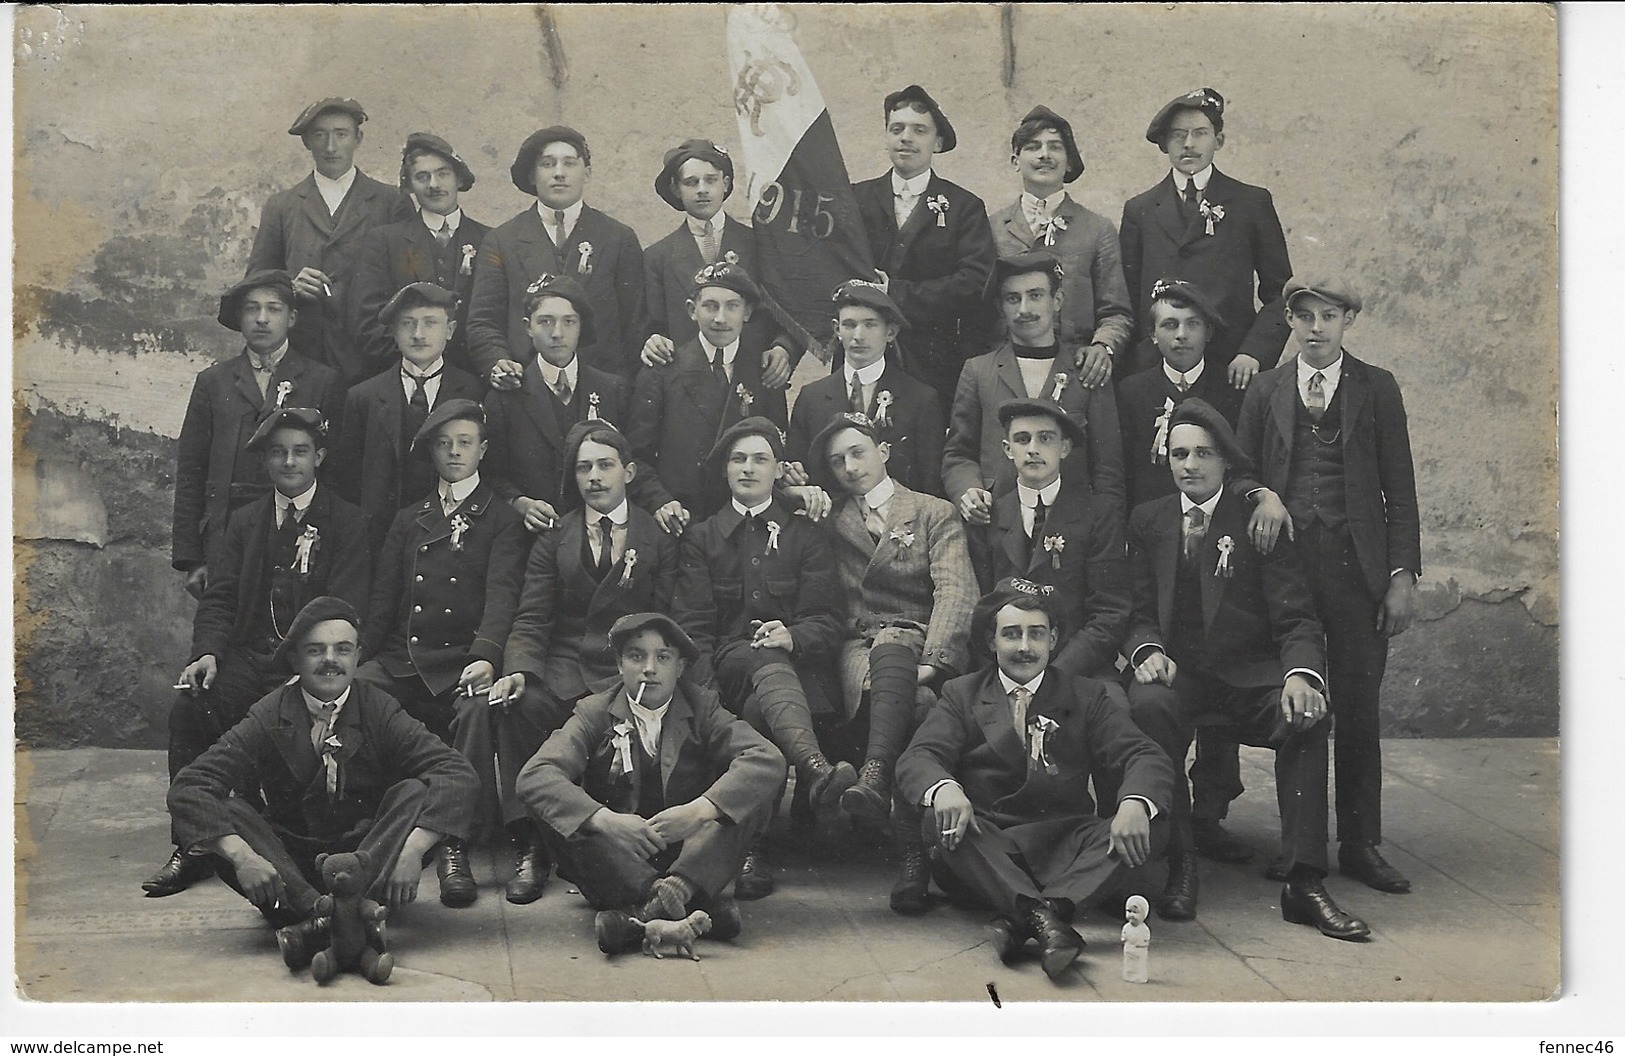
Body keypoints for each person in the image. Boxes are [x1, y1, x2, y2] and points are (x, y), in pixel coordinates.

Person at [1122, 399, 1369, 940]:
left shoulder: (1256, 518)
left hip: (1246, 678)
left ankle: (1304, 881)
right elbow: (1137, 609)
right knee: (1147, 707)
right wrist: (1145, 651)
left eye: (1203, 453)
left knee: (1308, 717)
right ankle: (1181, 861)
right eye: (1179, 453)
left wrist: (1302, 674)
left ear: (1226, 462)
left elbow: (1296, 615)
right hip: (1180, 677)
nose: (1190, 464)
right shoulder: (1150, 520)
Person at [166, 596, 478, 972]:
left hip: (367, 860)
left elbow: (455, 772)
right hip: (292, 867)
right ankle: (347, 919)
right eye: (316, 650)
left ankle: (316, 928)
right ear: (295, 660)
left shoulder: (379, 707)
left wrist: (413, 849)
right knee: (231, 811)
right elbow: (191, 785)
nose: (331, 660)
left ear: (357, 657)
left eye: (342, 650)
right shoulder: (270, 712)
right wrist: (242, 856)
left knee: (413, 792)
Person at [1236, 276, 1421, 895]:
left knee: (1359, 711)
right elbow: (1240, 472)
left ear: (1348, 322)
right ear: (1289, 321)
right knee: (1300, 709)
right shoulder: (1266, 390)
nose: (1317, 329)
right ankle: (1300, 848)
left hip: (1357, 573)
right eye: (1306, 317)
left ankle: (1362, 844)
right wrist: (1262, 494)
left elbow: (1401, 487)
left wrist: (1401, 575)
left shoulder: (1376, 387)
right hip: (1285, 576)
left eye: (1330, 317)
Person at [894, 578, 1174, 980]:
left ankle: (1029, 918)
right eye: (1011, 634)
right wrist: (946, 788)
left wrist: (1133, 802)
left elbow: (1144, 754)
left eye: (1036, 634)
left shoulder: (1087, 695)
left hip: (1065, 842)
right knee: (940, 821)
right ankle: (1052, 918)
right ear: (991, 642)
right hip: (991, 842)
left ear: (1053, 639)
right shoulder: (963, 693)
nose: (1024, 646)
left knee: (1151, 820)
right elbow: (919, 756)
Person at [146, 407, 370, 898]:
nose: (290, 461)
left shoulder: (347, 521)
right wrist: (207, 653)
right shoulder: (245, 522)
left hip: (312, 662)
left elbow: (346, 609)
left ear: (320, 457)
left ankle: (277, 836)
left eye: (301, 452)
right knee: (190, 703)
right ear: (266, 461)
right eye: (278, 452)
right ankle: (194, 843)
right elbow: (221, 597)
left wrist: (308, 666)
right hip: (250, 657)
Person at [486, 420, 679, 904]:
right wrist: (519, 671)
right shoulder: (555, 536)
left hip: (630, 666)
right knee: (520, 705)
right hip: (567, 660)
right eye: (584, 468)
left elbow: (673, 617)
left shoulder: (655, 537)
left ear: (629, 472)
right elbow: (532, 615)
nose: (595, 477)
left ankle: (625, 846)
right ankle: (531, 843)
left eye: (605, 465)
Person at [517, 612, 785, 956]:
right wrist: (606, 820)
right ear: (619, 664)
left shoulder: (703, 706)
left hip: (691, 853)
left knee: (750, 793)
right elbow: (535, 775)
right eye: (635, 656)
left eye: (663, 657)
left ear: (681, 667)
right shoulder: (594, 711)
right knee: (560, 810)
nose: (649, 668)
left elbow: (766, 757)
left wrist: (699, 811)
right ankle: (694, 907)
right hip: (619, 860)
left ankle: (644, 915)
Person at [356, 399, 529, 907]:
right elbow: (384, 601)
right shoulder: (410, 519)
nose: (455, 452)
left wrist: (486, 656)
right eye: (445, 443)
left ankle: (456, 844)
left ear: (483, 450)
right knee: (357, 693)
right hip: (404, 657)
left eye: (465, 442)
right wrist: (361, 656)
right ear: (432, 451)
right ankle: (366, 826)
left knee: (477, 708)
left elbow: (502, 599)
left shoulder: (499, 517)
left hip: (463, 660)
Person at [671, 417, 853, 900]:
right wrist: (705, 700)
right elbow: (693, 629)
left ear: (779, 470)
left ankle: (756, 846)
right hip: (729, 671)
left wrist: (792, 636)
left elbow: (830, 619)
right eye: (737, 459)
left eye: (760, 459)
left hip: (799, 677)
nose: (748, 469)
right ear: (725, 471)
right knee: (758, 662)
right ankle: (814, 769)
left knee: (759, 711)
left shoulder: (806, 535)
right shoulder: (704, 537)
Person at [812, 412, 976, 834]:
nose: (849, 467)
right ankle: (889, 802)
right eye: (836, 461)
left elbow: (956, 591)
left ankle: (876, 779)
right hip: (859, 645)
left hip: (919, 641)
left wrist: (935, 664)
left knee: (918, 690)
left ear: (883, 452)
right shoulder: (831, 519)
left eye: (858, 453)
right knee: (915, 701)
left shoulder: (932, 512)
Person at [172, 271, 344, 599]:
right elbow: (191, 471)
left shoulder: (323, 381)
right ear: (240, 317)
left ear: (292, 317)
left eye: (274, 309)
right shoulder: (214, 382)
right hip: (226, 532)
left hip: (297, 530)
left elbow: (336, 473)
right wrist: (192, 559)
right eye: (252, 309)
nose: (262, 319)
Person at [943, 251, 1125, 528]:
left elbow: (1108, 470)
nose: (1024, 309)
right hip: (997, 524)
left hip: (1075, 526)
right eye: (1012, 298)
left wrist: (1105, 531)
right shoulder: (978, 371)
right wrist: (967, 491)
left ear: (1058, 300)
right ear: (1001, 306)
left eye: (1036, 295)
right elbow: (958, 454)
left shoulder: (1086, 370)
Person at [1119, 87, 1291, 380]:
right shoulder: (1140, 210)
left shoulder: (1250, 203)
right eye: (1178, 135)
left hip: (1230, 369)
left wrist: (1253, 353)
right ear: (1164, 145)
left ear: (1218, 140)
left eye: (1200, 133)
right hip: (1159, 369)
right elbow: (1128, 296)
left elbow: (1281, 293)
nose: (1189, 144)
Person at [245, 97, 413, 381]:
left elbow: (409, 279)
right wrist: (290, 286)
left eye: (341, 134)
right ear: (307, 142)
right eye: (320, 135)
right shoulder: (282, 205)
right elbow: (256, 282)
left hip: (372, 355)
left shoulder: (391, 201)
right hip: (304, 351)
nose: (331, 146)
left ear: (358, 139)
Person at [466, 126, 645, 386]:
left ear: (587, 173)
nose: (559, 173)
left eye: (569, 164)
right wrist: (499, 363)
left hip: (600, 387)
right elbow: (483, 321)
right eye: (547, 164)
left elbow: (635, 325)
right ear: (532, 175)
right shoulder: (502, 241)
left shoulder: (618, 238)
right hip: (526, 386)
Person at [852, 85, 996, 405]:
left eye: (919, 130)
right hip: (862, 355)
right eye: (897, 129)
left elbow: (976, 282)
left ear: (937, 142)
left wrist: (896, 294)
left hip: (934, 359)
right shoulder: (856, 200)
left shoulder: (964, 207)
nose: (906, 138)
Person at [625, 261, 789, 533]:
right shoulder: (663, 370)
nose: (720, 318)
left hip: (746, 524)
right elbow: (636, 456)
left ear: (747, 312)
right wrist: (661, 502)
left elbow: (778, 450)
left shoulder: (763, 373)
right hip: (683, 519)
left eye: (732, 306)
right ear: (692, 310)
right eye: (710, 306)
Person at [972, 397, 1128, 681]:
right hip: (1003, 670)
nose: (1033, 449)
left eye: (1045, 438)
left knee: (1114, 714)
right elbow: (980, 606)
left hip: (1078, 669)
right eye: (1022, 439)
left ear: (1064, 447)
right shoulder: (989, 514)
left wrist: (1057, 674)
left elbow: (1109, 611)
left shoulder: (1097, 514)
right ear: (1007, 449)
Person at [332, 282, 484, 552]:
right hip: (381, 535)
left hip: (452, 534)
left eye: (430, 323)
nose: (418, 334)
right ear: (392, 332)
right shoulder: (363, 397)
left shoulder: (474, 391)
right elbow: (347, 477)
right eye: (407, 324)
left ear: (449, 331)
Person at [481, 273, 636, 534]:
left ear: (580, 326)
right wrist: (521, 504)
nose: (557, 333)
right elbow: (491, 474)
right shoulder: (505, 396)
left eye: (569, 322)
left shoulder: (612, 389)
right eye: (545, 322)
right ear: (528, 326)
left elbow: (631, 465)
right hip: (528, 535)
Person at [988, 105, 1134, 379]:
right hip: (1007, 370)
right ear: (1015, 160)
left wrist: (1103, 347)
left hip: (1075, 371)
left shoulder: (1097, 229)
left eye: (1055, 147)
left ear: (1068, 161)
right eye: (1033, 146)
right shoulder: (992, 227)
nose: (1045, 155)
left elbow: (1116, 312)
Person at [639, 138, 796, 389]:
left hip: (753, 381)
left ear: (725, 184)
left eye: (710, 180)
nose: (702, 189)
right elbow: (652, 324)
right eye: (691, 182)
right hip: (687, 389)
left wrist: (783, 349)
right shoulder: (658, 257)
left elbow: (788, 312)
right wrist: (652, 341)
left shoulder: (759, 244)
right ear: (676, 189)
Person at [349, 133, 491, 377]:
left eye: (443, 173)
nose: (434, 185)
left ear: (458, 178)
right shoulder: (384, 241)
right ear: (409, 186)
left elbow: (494, 319)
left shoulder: (490, 240)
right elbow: (368, 324)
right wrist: (418, 364)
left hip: (472, 378)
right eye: (422, 177)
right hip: (403, 377)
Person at [786, 279, 945, 496]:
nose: (858, 336)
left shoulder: (920, 399)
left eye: (870, 325)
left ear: (890, 332)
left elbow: (929, 484)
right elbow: (799, 473)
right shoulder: (811, 398)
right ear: (836, 329)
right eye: (849, 325)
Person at [1116, 277, 1243, 512]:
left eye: (1193, 324)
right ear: (1153, 334)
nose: (1181, 335)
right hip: (1150, 520)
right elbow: (1123, 471)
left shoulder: (1231, 388)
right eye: (1170, 325)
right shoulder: (1131, 391)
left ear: (1208, 332)